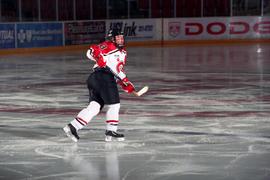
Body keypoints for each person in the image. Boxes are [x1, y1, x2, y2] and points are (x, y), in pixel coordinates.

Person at [63, 29, 135, 142]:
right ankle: (111, 131)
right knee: (114, 105)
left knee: (94, 107)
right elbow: (91, 51)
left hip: (96, 79)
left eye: (122, 37)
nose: (121, 39)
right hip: (103, 77)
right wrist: (98, 57)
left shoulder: (123, 53)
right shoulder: (108, 45)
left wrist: (125, 82)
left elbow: (116, 69)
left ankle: (73, 127)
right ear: (112, 39)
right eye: (118, 37)